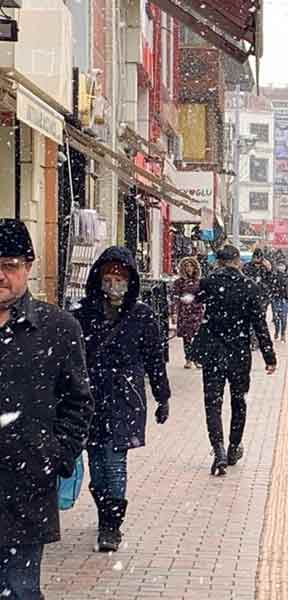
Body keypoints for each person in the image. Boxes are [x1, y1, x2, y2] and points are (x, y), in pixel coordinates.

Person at [0, 219, 94, 598]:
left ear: (29, 267)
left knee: (21, 589)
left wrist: (54, 454)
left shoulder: (57, 327)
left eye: (9, 264)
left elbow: (79, 402)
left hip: (25, 485)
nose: (1, 275)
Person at [73, 247, 171, 553]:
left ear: (130, 281)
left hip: (124, 397)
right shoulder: (82, 313)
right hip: (90, 398)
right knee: (97, 464)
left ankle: (111, 525)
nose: (114, 282)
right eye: (109, 275)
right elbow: (69, 360)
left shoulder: (141, 315)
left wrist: (162, 396)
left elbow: (155, 358)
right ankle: (105, 509)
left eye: (121, 276)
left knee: (115, 462)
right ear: (99, 277)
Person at [192, 245, 277, 476]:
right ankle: (233, 446)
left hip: (213, 352)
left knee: (213, 402)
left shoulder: (209, 283)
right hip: (239, 352)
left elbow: (194, 300)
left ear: (218, 262)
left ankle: (217, 449)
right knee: (239, 401)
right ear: (238, 261)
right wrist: (269, 356)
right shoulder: (249, 286)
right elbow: (259, 323)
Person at [171, 256, 204, 369]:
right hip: (184, 312)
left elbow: (203, 296)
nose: (189, 268)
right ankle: (188, 358)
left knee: (198, 336)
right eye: (186, 266)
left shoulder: (200, 282)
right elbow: (174, 297)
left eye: (191, 266)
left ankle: (197, 359)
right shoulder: (179, 282)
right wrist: (174, 312)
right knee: (187, 337)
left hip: (197, 312)